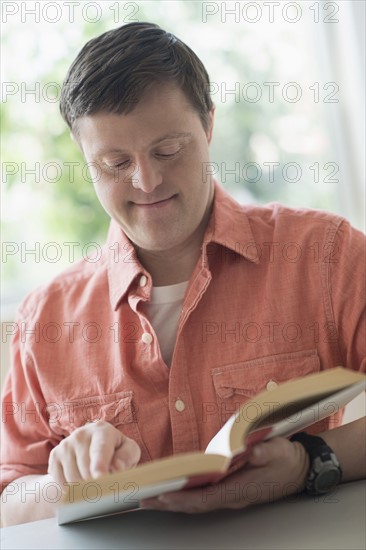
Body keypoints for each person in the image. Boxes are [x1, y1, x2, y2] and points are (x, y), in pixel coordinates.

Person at [1, 22, 365, 526]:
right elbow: (8, 495)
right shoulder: (46, 316)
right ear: (84, 161)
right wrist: (55, 486)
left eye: (168, 151)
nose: (146, 181)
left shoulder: (325, 255)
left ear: (209, 124)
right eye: (114, 162)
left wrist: (310, 459)